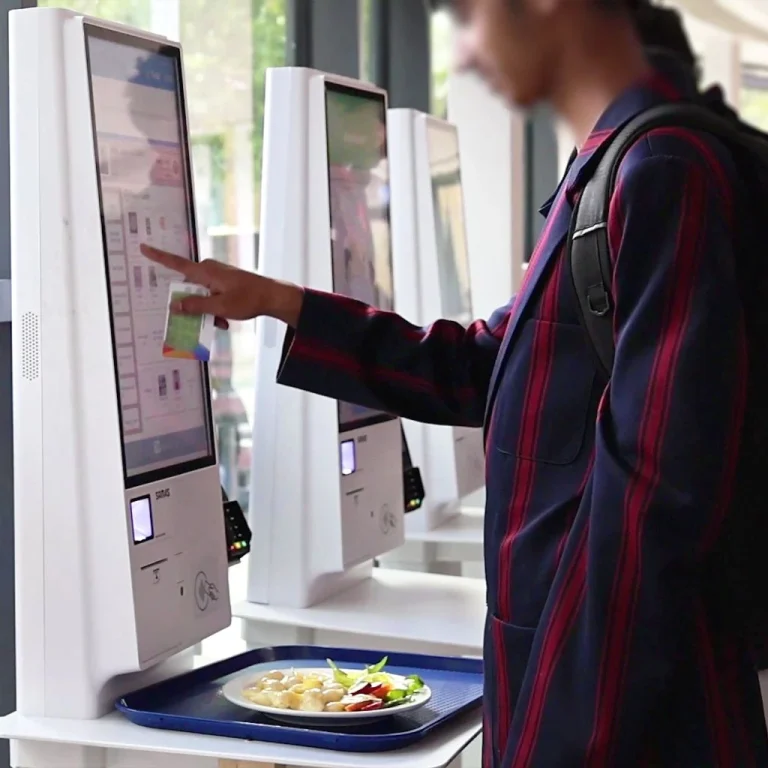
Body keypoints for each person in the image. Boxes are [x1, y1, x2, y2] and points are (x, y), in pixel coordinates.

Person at [142, 0, 768, 764]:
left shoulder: (663, 172)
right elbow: (481, 365)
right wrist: (285, 304)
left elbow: (656, 503)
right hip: (576, 678)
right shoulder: (608, 173)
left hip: (615, 706)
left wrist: (558, 735)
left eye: (471, 16)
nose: (466, 52)